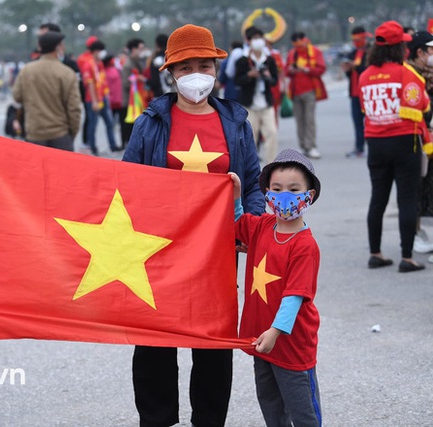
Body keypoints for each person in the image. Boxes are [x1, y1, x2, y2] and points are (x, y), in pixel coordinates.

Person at [123, 24, 265, 427]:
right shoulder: (149, 123)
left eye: (205, 65)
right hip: (156, 253)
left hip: (215, 253)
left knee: (213, 347)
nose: (197, 74)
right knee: (155, 346)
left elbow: (253, 182)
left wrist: (250, 225)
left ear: (217, 70)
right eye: (186, 67)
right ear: (171, 73)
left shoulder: (236, 122)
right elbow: (125, 184)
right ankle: (156, 419)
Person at [231, 148, 322, 427]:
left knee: (303, 412)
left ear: (309, 196)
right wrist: (236, 197)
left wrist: (275, 331)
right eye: (277, 188)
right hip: (262, 340)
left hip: (291, 345)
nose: (285, 196)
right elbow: (238, 225)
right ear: (267, 193)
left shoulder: (305, 246)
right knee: (271, 406)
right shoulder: (265, 225)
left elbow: (295, 295)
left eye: (294, 190)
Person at [358, 20, 430, 273]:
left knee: (378, 198)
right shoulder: (408, 74)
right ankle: (407, 257)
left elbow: (365, 109)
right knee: (407, 199)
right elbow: (421, 108)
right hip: (403, 142)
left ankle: (375, 253)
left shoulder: (365, 76)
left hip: (375, 143)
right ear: (400, 47)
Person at [12, 31, 82, 151]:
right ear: (58, 47)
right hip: (60, 134)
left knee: (36, 170)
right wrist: (72, 133)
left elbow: (17, 96)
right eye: (62, 45)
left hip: (35, 134)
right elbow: (74, 108)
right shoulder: (66, 73)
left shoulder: (26, 71)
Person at [405, 31, 433, 257]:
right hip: (419, 140)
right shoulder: (409, 75)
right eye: (431, 50)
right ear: (420, 52)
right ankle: (416, 234)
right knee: (417, 190)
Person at [234, 26, 279, 164]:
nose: (258, 41)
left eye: (260, 38)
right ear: (248, 41)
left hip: (266, 103)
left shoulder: (269, 60)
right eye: (255, 38)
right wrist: (249, 75)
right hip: (250, 104)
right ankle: (250, 166)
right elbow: (237, 80)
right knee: (250, 137)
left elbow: (274, 81)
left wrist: (267, 76)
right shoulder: (243, 60)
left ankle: (271, 165)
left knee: (272, 133)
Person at [285, 32, 327, 159]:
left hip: (310, 90)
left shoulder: (315, 52)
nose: (299, 45)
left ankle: (312, 146)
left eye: (300, 42)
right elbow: (286, 71)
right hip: (295, 91)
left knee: (309, 120)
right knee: (299, 120)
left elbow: (321, 69)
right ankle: (303, 146)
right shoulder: (292, 53)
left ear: (304, 40)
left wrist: (306, 69)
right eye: (295, 43)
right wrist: (292, 70)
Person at [77, 39, 121, 155]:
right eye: (101, 50)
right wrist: (94, 101)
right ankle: (93, 147)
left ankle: (112, 146)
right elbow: (90, 84)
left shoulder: (100, 64)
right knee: (93, 124)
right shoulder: (88, 64)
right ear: (95, 51)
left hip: (103, 98)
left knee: (109, 123)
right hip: (93, 99)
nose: (103, 53)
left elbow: (103, 81)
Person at [342, 26, 370, 158]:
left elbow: (369, 70)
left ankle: (373, 147)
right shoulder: (353, 52)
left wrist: (356, 67)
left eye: (358, 39)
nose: (356, 42)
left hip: (368, 92)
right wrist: (347, 69)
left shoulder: (371, 51)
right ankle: (359, 147)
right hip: (354, 93)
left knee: (371, 122)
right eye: (354, 40)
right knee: (357, 122)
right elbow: (350, 72)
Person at [121, 38, 147, 148]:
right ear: (133, 49)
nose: (142, 51)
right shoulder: (128, 65)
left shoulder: (139, 62)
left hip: (139, 100)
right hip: (129, 101)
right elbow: (125, 83)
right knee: (128, 125)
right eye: (140, 49)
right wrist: (136, 79)